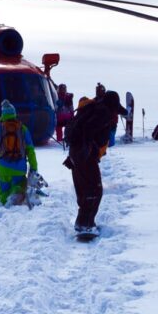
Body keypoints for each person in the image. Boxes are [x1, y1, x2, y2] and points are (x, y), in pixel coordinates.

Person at [64, 89, 113, 236]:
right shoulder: (97, 115)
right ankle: (86, 224)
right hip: (84, 156)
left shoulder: (82, 116)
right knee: (95, 189)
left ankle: (82, 223)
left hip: (75, 155)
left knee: (83, 189)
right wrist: (88, 149)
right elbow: (88, 132)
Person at [0, 99, 37, 205]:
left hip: (4, 167)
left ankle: (6, 206)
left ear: (2, 114)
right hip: (20, 167)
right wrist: (33, 167)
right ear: (14, 113)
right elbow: (30, 150)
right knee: (20, 186)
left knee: (4, 191)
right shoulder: (23, 129)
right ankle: (16, 200)